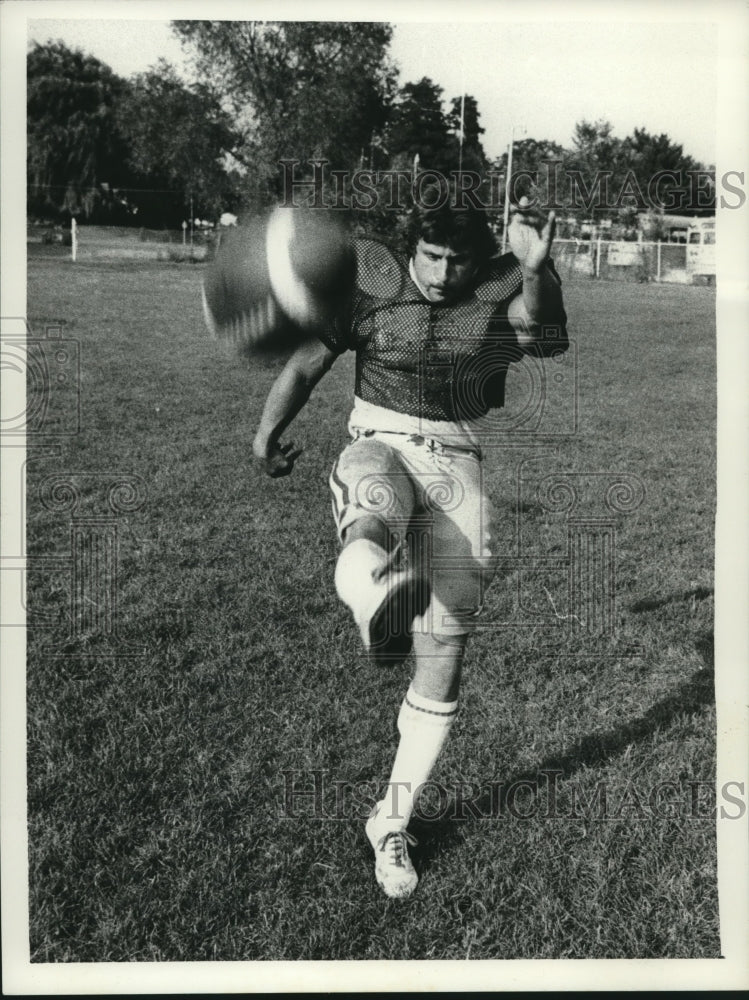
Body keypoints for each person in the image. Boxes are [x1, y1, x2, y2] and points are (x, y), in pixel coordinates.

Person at [252, 190, 568, 899]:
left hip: (457, 462)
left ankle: (389, 820)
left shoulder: (501, 282)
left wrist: (538, 267)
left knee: (445, 650)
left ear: (478, 259)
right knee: (373, 497)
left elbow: (537, 332)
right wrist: (264, 433)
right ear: (410, 247)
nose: (441, 272)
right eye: (430, 256)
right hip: (379, 438)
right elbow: (306, 364)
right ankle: (372, 593)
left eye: (458, 260)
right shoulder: (372, 286)